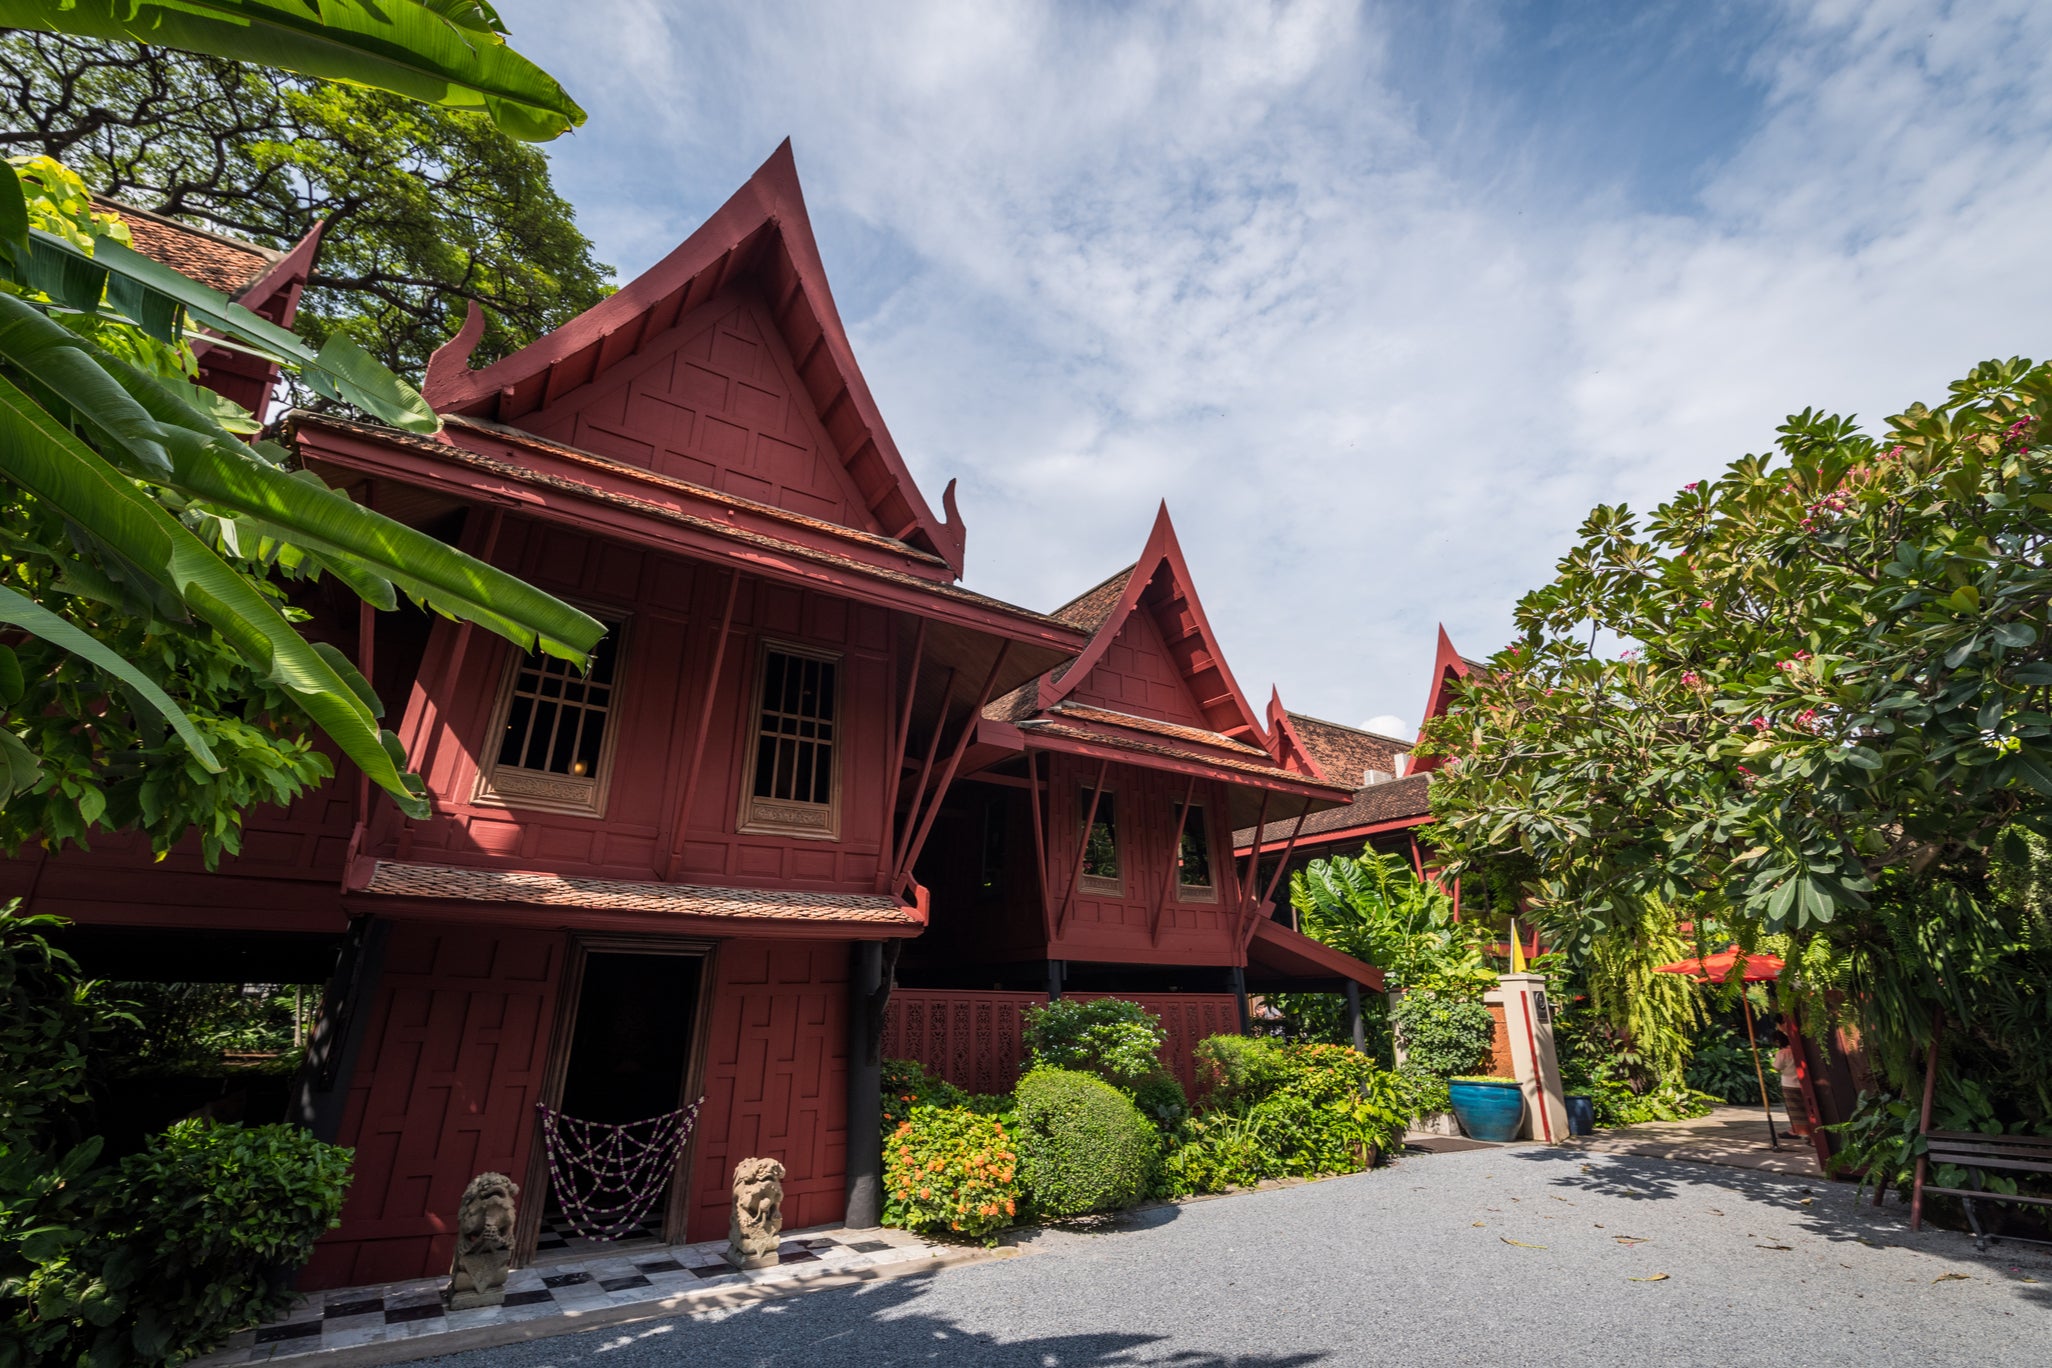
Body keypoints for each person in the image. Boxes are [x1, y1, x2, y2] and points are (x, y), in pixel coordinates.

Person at [1771, 1027, 1809, 1138]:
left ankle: (1798, 1131)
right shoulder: (1797, 1050)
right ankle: (1807, 1130)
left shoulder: (1782, 1053)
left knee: (1794, 1110)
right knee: (1806, 1108)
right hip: (1803, 1082)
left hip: (1789, 1084)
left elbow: (1777, 1067)